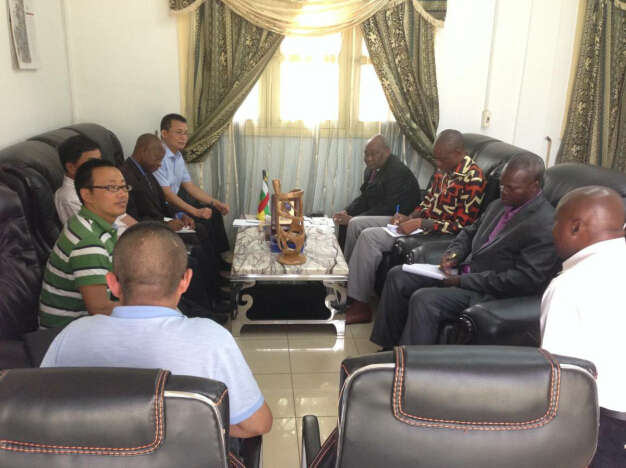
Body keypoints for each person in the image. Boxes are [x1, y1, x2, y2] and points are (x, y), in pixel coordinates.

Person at [41, 221, 273, 442]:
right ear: (186, 281)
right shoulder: (212, 340)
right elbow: (257, 424)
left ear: (112, 283)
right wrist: (192, 424)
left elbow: (38, 414)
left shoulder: (71, 336)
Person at [371, 152, 559, 348]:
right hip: (462, 271)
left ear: (534, 186)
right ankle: (388, 349)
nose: (503, 191)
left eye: (511, 188)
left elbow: (522, 280)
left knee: (424, 299)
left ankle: (412, 364)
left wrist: (463, 280)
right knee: (398, 275)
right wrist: (453, 255)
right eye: (502, 185)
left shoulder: (545, 224)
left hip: (488, 291)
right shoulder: (498, 205)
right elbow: (469, 232)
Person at [343, 130, 486, 324]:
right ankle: (348, 287)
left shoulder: (474, 179)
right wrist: (409, 216)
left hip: (434, 233)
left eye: (442, 159)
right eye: (436, 158)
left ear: (459, 153)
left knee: (369, 237)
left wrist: (420, 223)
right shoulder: (444, 169)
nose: (438, 164)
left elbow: (463, 225)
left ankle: (360, 306)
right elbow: (427, 202)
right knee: (355, 224)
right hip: (420, 223)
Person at [541, 186, 626, 468]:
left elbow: (562, 382)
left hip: (605, 428)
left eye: (556, 222)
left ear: (575, 227)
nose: (552, 231)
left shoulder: (569, 286)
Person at [119, 134, 230, 314]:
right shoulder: (125, 176)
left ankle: (216, 290)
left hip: (161, 225)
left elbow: (163, 204)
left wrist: (180, 214)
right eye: (157, 159)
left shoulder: (147, 173)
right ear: (143, 151)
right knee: (196, 249)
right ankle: (208, 306)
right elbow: (133, 219)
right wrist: (166, 225)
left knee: (200, 232)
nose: (160, 164)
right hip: (149, 235)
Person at [40, 159, 129, 328]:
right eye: (112, 187)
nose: (122, 194)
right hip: (64, 333)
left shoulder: (85, 221)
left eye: (124, 187)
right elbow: (99, 309)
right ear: (86, 195)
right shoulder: (89, 242)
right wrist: (147, 307)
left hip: (82, 326)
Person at [154, 113, 231, 264]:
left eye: (185, 133)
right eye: (179, 132)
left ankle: (219, 260)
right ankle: (212, 266)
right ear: (164, 133)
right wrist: (196, 212)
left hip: (175, 204)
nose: (183, 137)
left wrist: (215, 202)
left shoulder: (178, 156)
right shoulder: (158, 157)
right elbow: (167, 195)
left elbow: (189, 186)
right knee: (204, 223)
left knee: (214, 212)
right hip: (165, 209)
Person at [332, 134, 420, 251]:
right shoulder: (371, 169)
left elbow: (387, 208)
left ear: (387, 152)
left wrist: (354, 218)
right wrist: (347, 211)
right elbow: (364, 197)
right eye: (366, 154)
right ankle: (342, 258)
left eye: (373, 154)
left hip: (396, 219)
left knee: (352, 222)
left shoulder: (397, 172)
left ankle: (349, 260)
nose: (369, 158)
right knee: (345, 221)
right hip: (380, 211)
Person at [54, 135, 136, 232]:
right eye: (92, 161)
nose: (99, 165)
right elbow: (97, 235)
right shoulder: (70, 199)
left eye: (99, 159)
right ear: (71, 168)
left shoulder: (101, 182)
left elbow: (124, 217)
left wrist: (146, 233)